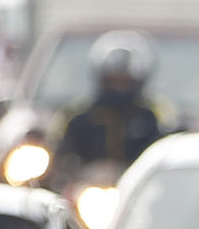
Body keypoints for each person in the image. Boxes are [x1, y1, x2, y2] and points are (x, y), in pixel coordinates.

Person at [49, 30, 174, 178]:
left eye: (125, 82)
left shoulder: (157, 114)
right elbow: (57, 147)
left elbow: (168, 147)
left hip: (137, 187)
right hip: (83, 189)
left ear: (139, 82)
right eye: (112, 81)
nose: (118, 89)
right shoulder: (76, 115)